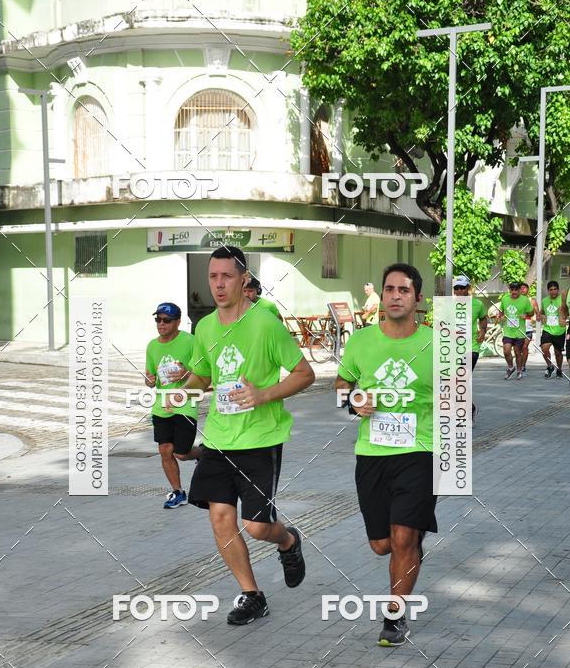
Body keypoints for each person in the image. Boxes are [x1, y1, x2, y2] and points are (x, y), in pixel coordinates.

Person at [177, 245, 315, 625]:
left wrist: (263, 394)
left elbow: (305, 374)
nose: (218, 285)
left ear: (244, 280)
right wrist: (179, 387)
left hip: (260, 439)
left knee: (256, 527)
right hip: (220, 439)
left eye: (226, 277)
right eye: (213, 277)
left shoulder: (265, 324)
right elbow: (204, 377)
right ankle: (252, 595)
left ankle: (288, 540)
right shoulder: (204, 328)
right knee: (221, 518)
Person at [335, 263, 435, 647]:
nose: (395, 295)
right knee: (382, 545)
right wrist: (352, 400)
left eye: (404, 290)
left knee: (404, 535)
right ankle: (410, 548)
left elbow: (459, 397)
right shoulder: (361, 341)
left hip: (420, 451)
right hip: (372, 454)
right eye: (389, 289)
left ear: (417, 299)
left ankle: (395, 616)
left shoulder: (437, 343)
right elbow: (341, 386)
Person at [145, 303, 202, 509]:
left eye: (166, 320)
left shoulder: (190, 341)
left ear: (178, 322)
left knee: (181, 452)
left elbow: (204, 372)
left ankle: (203, 453)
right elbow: (150, 378)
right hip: (162, 405)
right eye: (158, 320)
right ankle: (178, 492)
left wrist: (187, 374)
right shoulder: (152, 346)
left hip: (186, 402)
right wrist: (149, 380)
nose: (161, 324)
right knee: (165, 450)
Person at [453, 274, 487, 425]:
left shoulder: (477, 304)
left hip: (471, 348)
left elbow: (483, 318)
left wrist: (483, 330)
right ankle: (470, 408)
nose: (459, 291)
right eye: (456, 288)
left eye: (462, 288)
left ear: (468, 288)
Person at [498, 282, 534, 380]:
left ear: (519, 290)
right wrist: (501, 317)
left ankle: (519, 371)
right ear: (510, 290)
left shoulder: (525, 300)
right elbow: (501, 311)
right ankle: (511, 367)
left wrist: (526, 316)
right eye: (511, 290)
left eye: (516, 290)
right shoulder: (505, 299)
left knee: (518, 352)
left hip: (520, 332)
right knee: (506, 351)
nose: (513, 292)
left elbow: (531, 312)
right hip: (508, 331)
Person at [540, 280, 565, 378]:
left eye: (555, 289)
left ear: (558, 290)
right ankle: (550, 366)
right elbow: (541, 312)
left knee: (558, 352)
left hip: (559, 330)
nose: (553, 291)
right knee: (544, 348)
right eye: (551, 290)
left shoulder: (562, 300)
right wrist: (542, 316)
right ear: (548, 291)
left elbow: (567, 312)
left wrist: (563, 314)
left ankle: (559, 368)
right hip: (548, 329)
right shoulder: (545, 300)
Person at [520, 282, 539, 373]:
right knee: (518, 349)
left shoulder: (532, 300)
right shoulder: (515, 301)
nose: (523, 289)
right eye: (521, 288)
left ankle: (523, 366)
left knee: (524, 347)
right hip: (517, 329)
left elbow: (537, 313)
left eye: (524, 288)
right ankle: (519, 364)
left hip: (528, 328)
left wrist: (538, 316)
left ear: (528, 290)